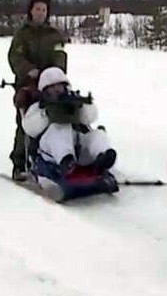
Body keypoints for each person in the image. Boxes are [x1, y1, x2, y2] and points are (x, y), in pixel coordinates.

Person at [21, 67, 117, 200]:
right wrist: (47, 114)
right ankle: (66, 162)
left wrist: (81, 106)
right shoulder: (38, 108)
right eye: (52, 87)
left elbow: (91, 117)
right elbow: (29, 128)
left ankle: (103, 159)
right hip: (52, 153)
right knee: (60, 129)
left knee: (97, 135)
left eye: (59, 86)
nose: (56, 90)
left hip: (78, 147)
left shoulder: (73, 101)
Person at [7, 0, 68, 181]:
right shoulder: (22, 34)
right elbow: (15, 57)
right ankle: (20, 164)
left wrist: (55, 73)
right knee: (26, 123)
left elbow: (60, 56)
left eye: (44, 9)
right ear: (31, 11)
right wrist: (29, 70)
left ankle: (59, 157)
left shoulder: (54, 35)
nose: (41, 12)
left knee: (60, 118)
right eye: (38, 9)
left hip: (52, 86)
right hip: (28, 87)